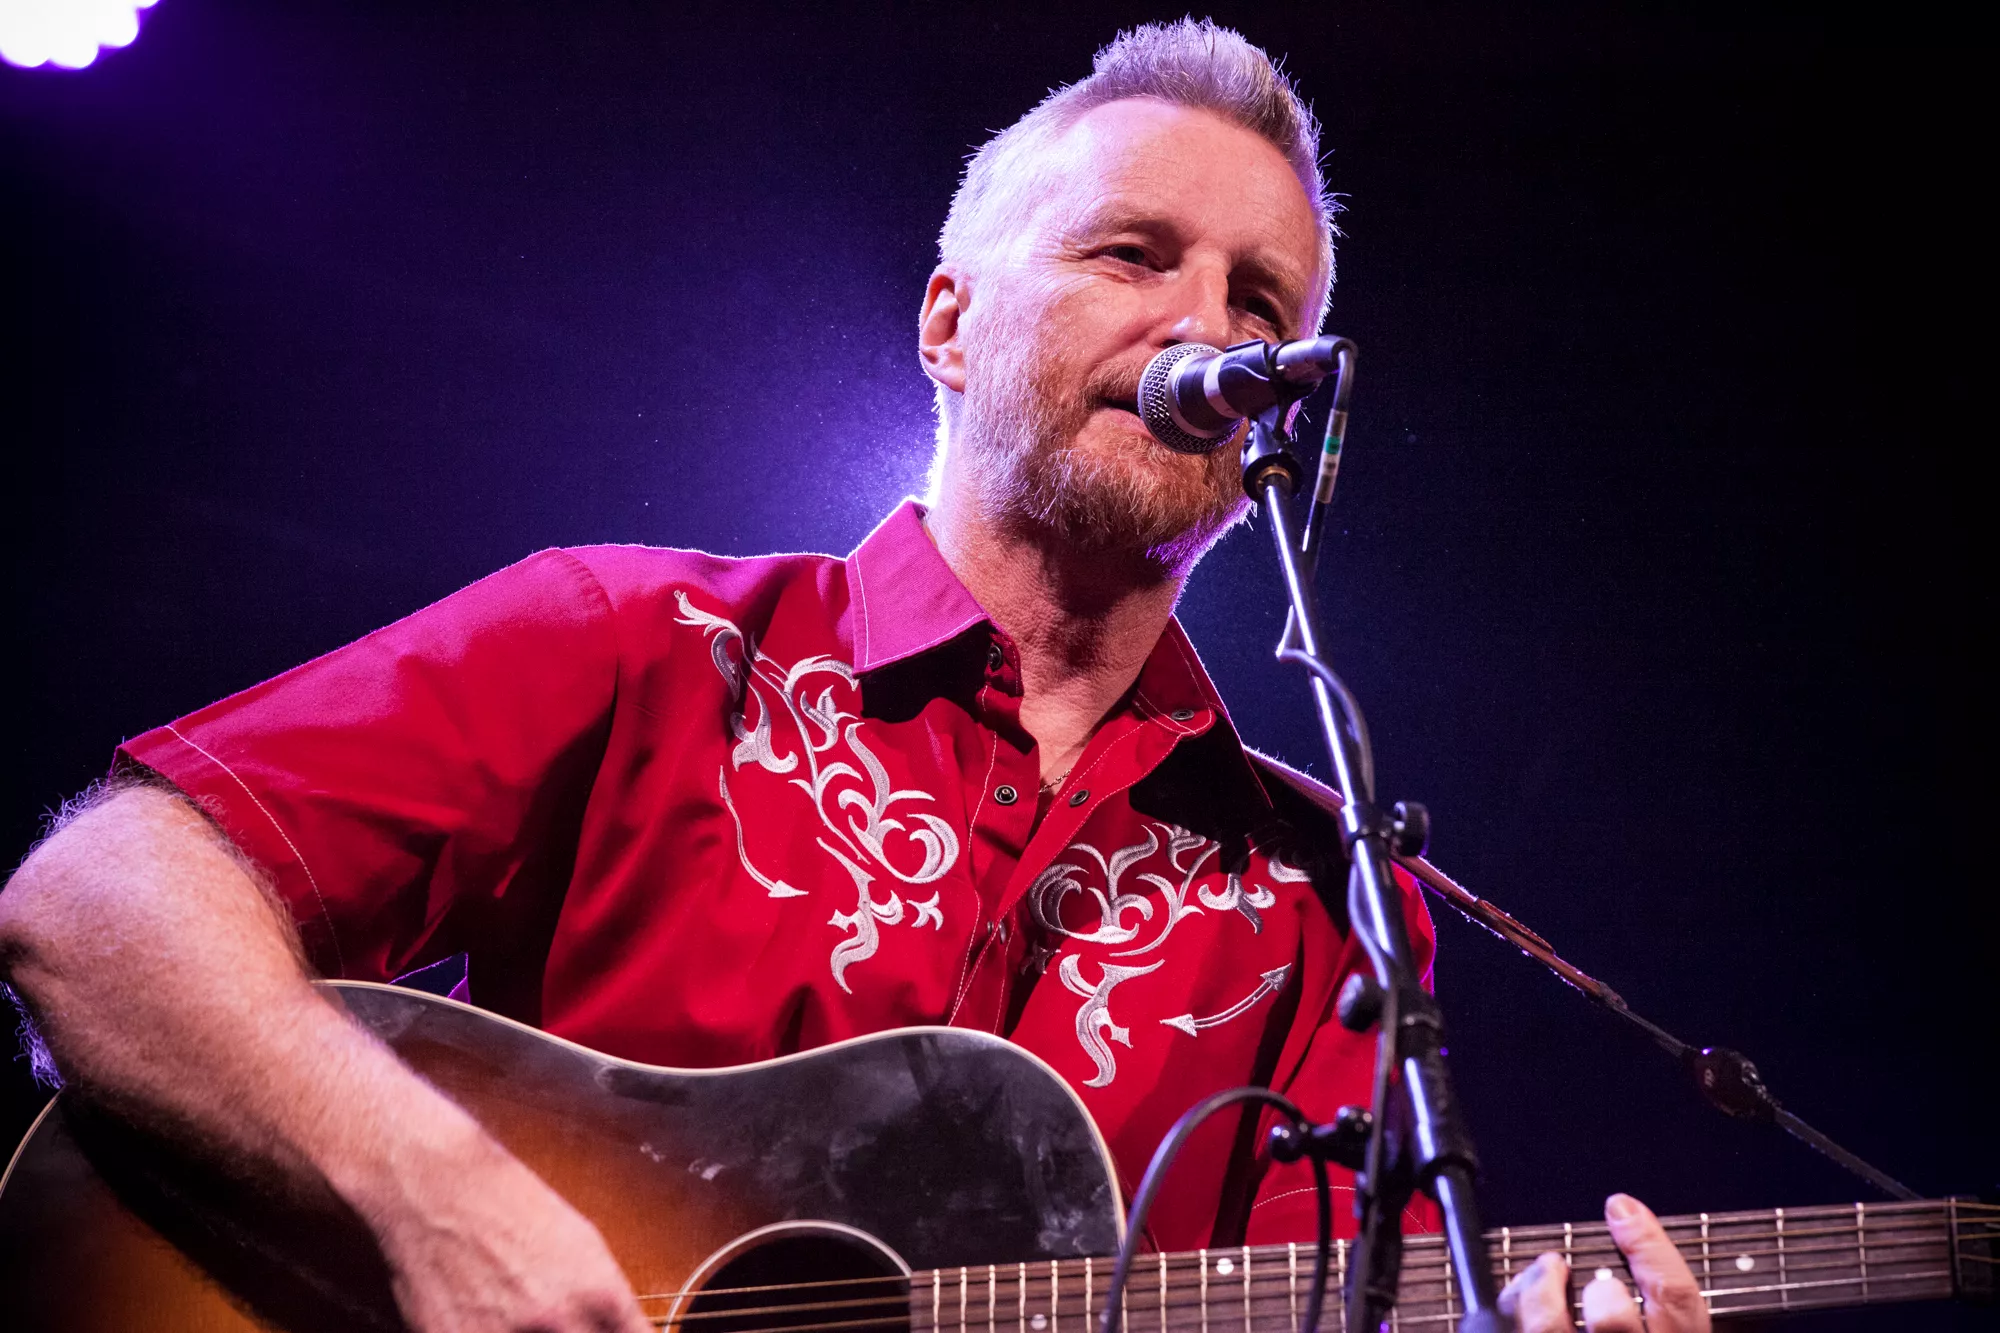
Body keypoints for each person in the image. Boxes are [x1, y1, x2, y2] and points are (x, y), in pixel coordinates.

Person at [0, 20, 1709, 1333]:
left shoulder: (1331, 900)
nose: (1215, 334)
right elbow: (96, 903)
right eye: (1136, 256)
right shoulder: (639, 641)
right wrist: (434, 1190)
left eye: (1264, 302)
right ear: (952, 325)